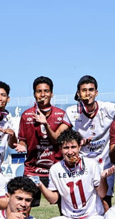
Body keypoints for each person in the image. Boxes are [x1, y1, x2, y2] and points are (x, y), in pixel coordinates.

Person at [37, 130, 110, 219]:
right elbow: (53, 199)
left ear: (79, 147)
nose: (70, 152)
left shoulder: (91, 164)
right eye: (66, 148)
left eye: (73, 147)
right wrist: (41, 185)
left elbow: (102, 193)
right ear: (60, 149)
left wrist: (103, 178)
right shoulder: (55, 169)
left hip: (92, 217)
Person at [64, 75, 115, 208]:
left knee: (106, 200)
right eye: (84, 90)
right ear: (78, 93)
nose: (88, 93)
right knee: (84, 199)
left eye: (91, 90)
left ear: (96, 92)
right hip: (84, 161)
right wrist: (77, 142)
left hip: (104, 160)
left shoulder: (108, 108)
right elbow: (61, 136)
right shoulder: (72, 111)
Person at [15, 76, 70, 207]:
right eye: (39, 91)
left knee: (65, 205)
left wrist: (45, 124)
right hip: (32, 169)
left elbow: (57, 141)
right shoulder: (26, 115)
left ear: (52, 94)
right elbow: (22, 140)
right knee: (25, 206)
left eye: (46, 91)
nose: (42, 94)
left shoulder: (61, 115)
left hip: (57, 168)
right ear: (34, 94)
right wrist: (21, 146)